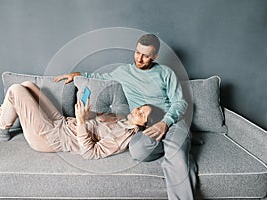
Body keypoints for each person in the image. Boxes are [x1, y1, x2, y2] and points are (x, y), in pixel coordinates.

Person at [54, 34, 197, 199]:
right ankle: (181, 148)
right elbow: (100, 78)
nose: (140, 59)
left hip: (171, 122)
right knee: (137, 151)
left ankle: (178, 149)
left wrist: (165, 123)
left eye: (146, 56)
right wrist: (76, 74)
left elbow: (180, 103)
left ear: (155, 56)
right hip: (144, 125)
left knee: (175, 155)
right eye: (137, 53)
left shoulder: (166, 73)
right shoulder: (124, 72)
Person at [0, 81, 165, 160]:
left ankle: (1, 130)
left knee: (15, 90)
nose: (137, 110)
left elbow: (91, 153)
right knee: (28, 85)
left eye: (142, 114)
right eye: (140, 107)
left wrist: (81, 122)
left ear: (144, 125)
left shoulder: (125, 136)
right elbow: (94, 122)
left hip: (51, 137)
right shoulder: (121, 118)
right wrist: (88, 113)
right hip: (62, 122)